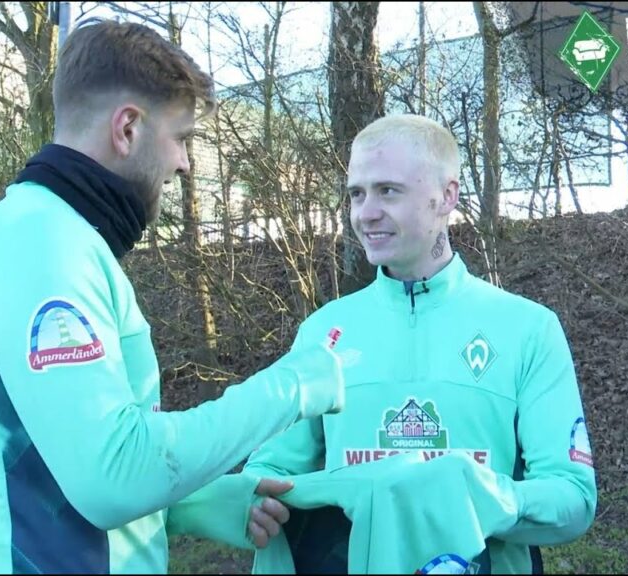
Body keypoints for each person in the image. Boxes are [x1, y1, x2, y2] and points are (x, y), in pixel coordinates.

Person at [0, 18, 345, 575]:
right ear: (127, 128)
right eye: (181, 138)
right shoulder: (39, 244)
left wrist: (192, 501)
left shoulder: (62, 237)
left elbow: (63, 458)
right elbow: (112, 474)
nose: (184, 163)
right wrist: (294, 386)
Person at [238, 114, 598, 573]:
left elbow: (573, 497)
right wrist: (254, 502)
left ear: (447, 196)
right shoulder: (324, 331)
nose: (366, 212)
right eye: (356, 193)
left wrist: (481, 498)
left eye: (388, 190)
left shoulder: (528, 328)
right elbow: (270, 473)